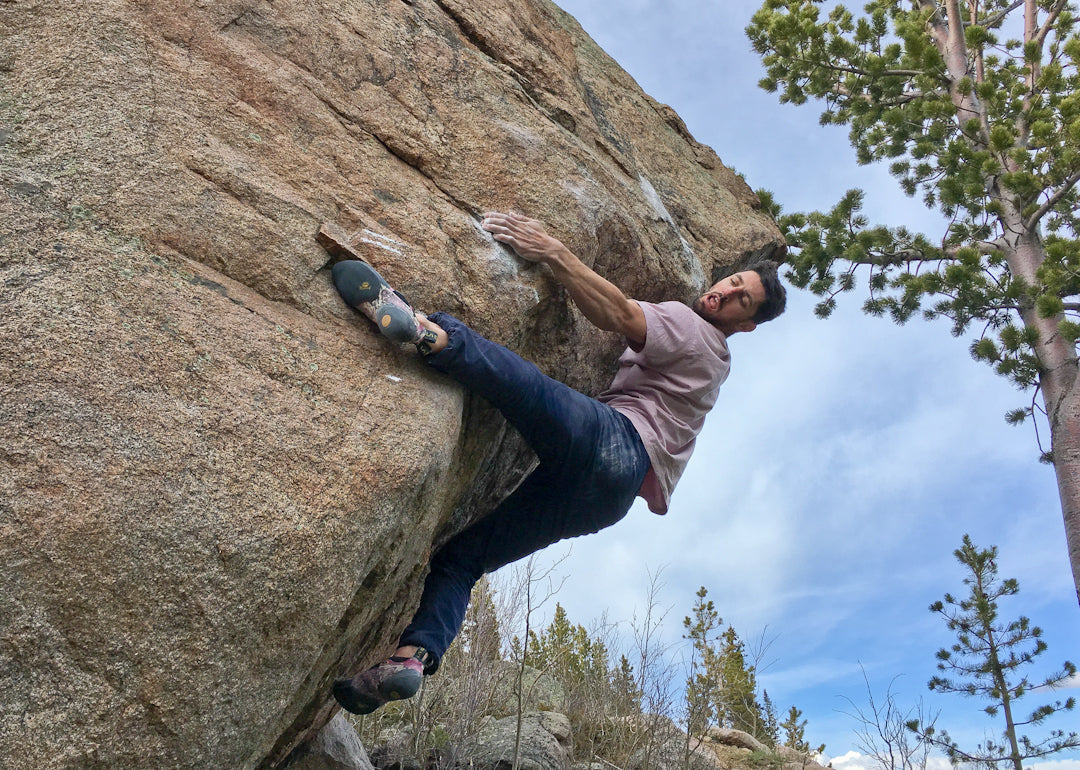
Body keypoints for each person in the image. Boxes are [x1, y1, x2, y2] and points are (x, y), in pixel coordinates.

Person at [329, 211, 786, 715]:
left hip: (616, 442)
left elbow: (620, 314)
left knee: (521, 382)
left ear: (746, 324)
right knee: (462, 560)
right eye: (733, 280)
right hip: (607, 502)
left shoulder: (695, 330)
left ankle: (427, 332)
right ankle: (412, 659)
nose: (726, 291)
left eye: (742, 298)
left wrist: (552, 251)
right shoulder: (718, 366)